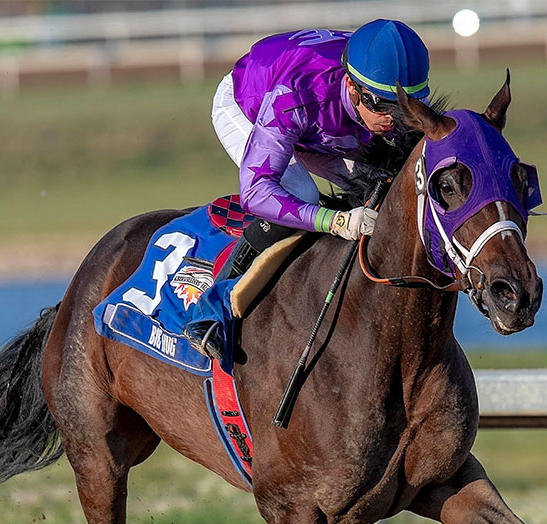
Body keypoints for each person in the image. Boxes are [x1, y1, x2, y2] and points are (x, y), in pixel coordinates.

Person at [183, 19, 431, 360]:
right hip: (252, 105)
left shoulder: (375, 82)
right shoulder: (295, 97)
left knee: (384, 187)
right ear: (353, 86)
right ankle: (212, 308)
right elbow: (256, 192)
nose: (393, 119)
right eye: (380, 105)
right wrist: (336, 222)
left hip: (324, 119)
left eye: (402, 105)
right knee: (302, 193)